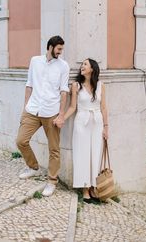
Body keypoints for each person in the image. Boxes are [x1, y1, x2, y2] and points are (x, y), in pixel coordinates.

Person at [16, 35, 70, 197]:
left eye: (62, 49)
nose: (60, 52)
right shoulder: (35, 61)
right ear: (51, 47)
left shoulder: (63, 66)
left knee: (54, 149)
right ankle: (33, 167)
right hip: (32, 109)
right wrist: (25, 108)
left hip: (51, 112)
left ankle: (52, 181)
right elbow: (29, 84)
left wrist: (61, 115)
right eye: (59, 49)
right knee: (21, 141)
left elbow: (64, 91)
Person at [63, 58, 109, 203]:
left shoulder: (101, 86)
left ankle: (95, 186)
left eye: (85, 64)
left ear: (92, 69)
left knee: (95, 154)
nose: (82, 66)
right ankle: (85, 188)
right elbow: (72, 107)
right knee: (82, 154)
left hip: (97, 122)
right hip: (81, 122)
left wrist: (106, 127)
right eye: (82, 64)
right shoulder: (76, 85)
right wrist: (62, 118)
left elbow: (103, 108)